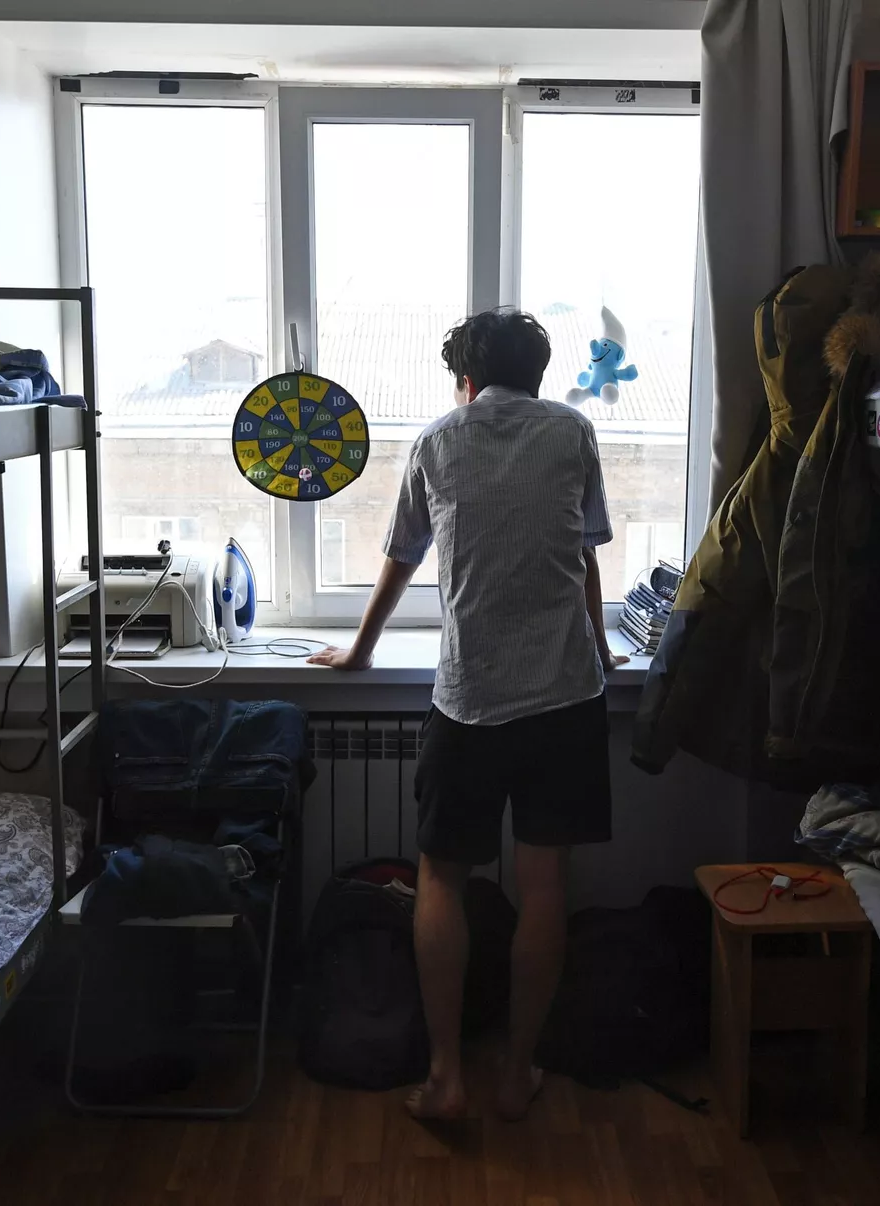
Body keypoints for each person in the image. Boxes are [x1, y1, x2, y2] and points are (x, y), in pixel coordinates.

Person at [309, 307, 627, 1123]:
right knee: (544, 883)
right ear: (537, 375)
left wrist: (360, 651)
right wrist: (601, 646)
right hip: (565, 697)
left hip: (470, 700)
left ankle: (447, 1074)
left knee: (442, 879)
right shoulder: (572, 432)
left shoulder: (438, 441)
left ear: (466, 379)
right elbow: (583, 553)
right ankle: (518, 1072)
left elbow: (402, 555)